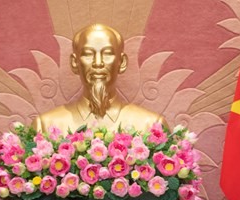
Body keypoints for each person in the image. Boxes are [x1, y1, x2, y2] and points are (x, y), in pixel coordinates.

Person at [33, 24, 166, 133]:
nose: (98, 63)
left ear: (122, 62)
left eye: (107, 54)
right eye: (88, 54)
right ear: (74, 62)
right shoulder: (45, 126)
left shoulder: (152, 126)